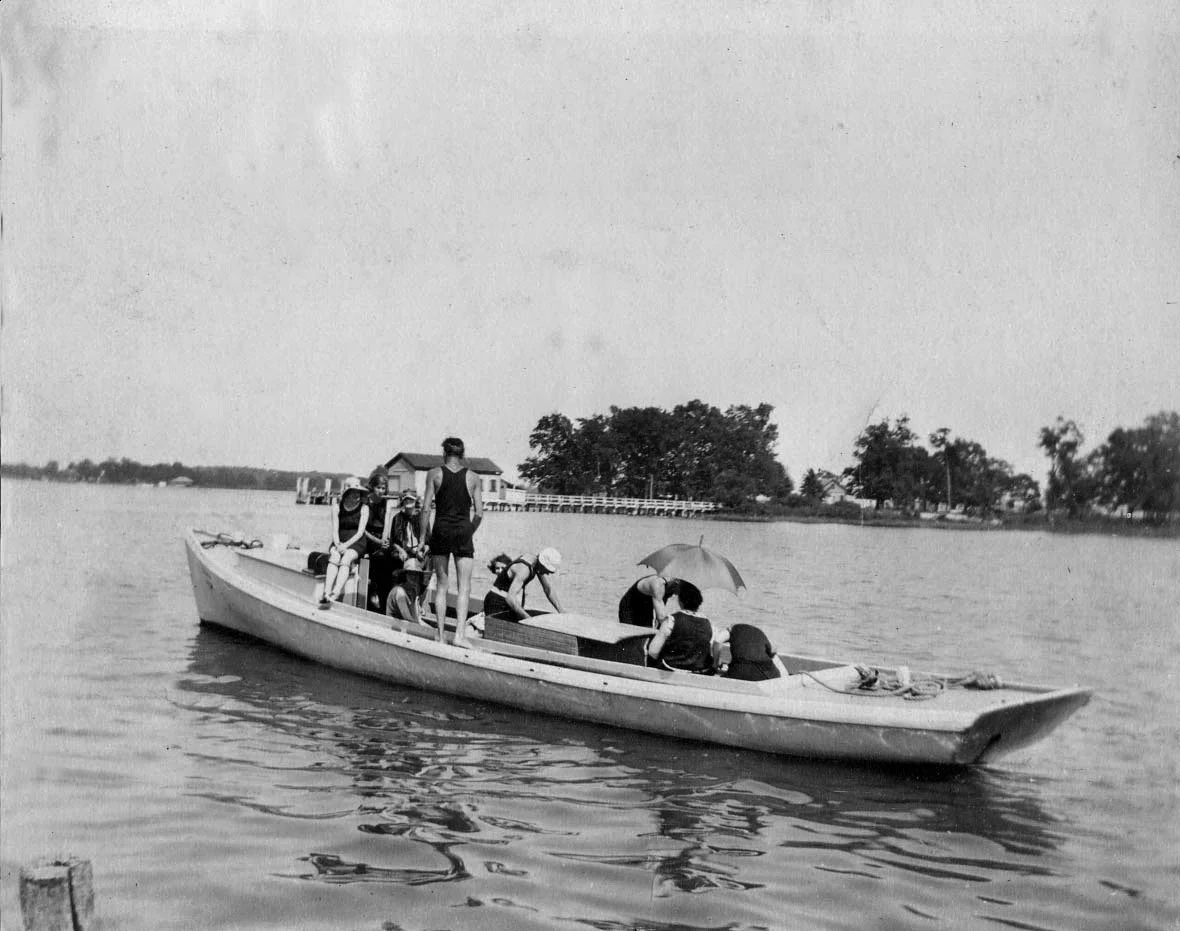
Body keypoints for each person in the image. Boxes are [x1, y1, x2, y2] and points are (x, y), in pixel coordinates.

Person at [420, 437, 483, 644]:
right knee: (464, 587)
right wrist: (468, 532)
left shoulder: (434, 474)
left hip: (441, 530)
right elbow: (479, 514)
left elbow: (426, 509)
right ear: (462, 454)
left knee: (441, 586)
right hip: (463, 531)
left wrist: (422, 539)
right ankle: (459, 636)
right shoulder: (473, 477)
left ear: (444, 453)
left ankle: (439, 636)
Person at [319, 476, 370, 608]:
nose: (357, 495)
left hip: (356, 542)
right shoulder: (337, 507)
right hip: (339, 541)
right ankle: (326, 592)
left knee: (346, 557)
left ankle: (335, 593)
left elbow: (360, 532)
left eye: (358, 492)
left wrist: (346, 546)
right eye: (354, 492)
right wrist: (337, 544)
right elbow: (335, 529)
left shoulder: (364, 508)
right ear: (347, 493)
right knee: (335, 556)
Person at [646, 581, 716, 673]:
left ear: (680, 601)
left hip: (671, 670)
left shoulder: (671, 620)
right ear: (699, 602)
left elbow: (653, 651)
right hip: (697, 671)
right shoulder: (708, 623)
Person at [482, 549, 564, 620]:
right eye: (548, 570)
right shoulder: (524, 570)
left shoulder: (536, 563)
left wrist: (561, 611)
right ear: (542, 564)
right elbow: (510, 598)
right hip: (496, 601)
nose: (548, 573)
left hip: (506, 601)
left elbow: (548, 590)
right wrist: (529, 619)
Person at [362, 468, 395, 612]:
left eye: (383, 488)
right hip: (368, 537)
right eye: (378, 488)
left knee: (392, 556)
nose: (381, 491)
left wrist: (385, 540)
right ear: (372, 487)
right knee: (379, 557)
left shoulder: (386, 503)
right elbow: (362, 529)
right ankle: (374, 591)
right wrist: (378, 541)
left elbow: (386, 524)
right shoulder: (366, 502)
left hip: (381, 538)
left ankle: (386, 596)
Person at [721, 624, 787, 681]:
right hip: (769, 674)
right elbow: (772, 653)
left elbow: (718, 640)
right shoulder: (759, 633)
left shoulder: (732, 630)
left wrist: (716, 666)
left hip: (742, 670)